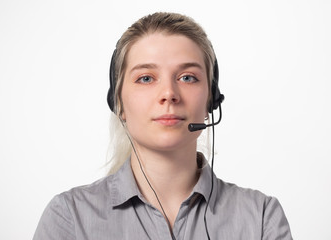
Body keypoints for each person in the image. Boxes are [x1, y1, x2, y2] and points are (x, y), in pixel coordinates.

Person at [33, 12, 293, 240]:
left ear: (210, 100)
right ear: (118, 103)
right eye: (146, 78)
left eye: (187, 77)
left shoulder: (261, 217)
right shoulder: (69, 217)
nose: (169, 93)